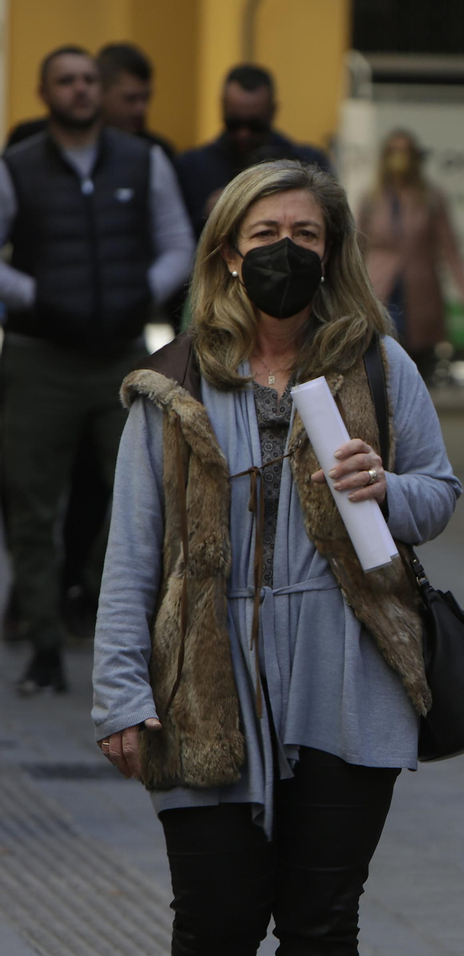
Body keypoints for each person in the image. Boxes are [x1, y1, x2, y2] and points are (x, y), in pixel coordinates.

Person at [92, 159, 461, 956]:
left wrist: (386, 491)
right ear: (227, 252)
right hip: (203, 682)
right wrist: (120, 691)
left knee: (322, 924)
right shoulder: (175, 380)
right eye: (265, 235)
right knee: (215, 922)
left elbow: (438, 494)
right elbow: (134, 551)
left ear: (331, 253)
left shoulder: (377, 366)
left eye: (305, 235)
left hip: (345, 677)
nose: (284, 251)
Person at [0, 45, 194, 694]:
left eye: (89, 80)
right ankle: (45, 643)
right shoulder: (19, 166)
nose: (80, 90)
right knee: (30, 505)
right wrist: (33, 295)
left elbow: (177, 243)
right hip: (38, 360)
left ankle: (94, 604)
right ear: (44, 90)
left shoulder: (144, 162)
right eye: (67, 81)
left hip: (120, 356)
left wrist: (139, 292)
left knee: (139, 495)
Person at [358, 127, 464, 384]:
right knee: (383, 351)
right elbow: (356, 247)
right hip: (381, 289)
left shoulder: (431, 198)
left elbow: (451, 249)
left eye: (405, 152)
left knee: (416, 358)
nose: (400, 158)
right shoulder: (371, 198)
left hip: (420, 289)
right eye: (394, 151)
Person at [174, 63, 333, 239]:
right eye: (234, 123)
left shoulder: (308, 163)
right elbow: (173, 240)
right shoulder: (190, 167)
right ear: (222, 107)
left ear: (273, 111)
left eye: (256, 125)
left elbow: (331, 227)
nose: (244, 134)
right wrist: (208, 217)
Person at [6, 43, 177, 162]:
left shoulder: (152, 153)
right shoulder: (26, 141)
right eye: (130, 98)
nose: (141, 109)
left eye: (146, 98)